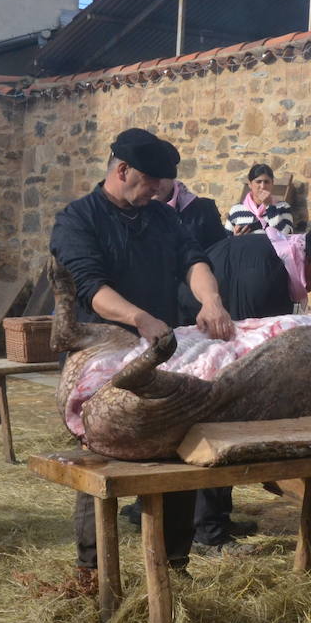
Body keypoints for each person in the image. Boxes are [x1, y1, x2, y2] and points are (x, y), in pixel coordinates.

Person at [50, 128, 235, 579]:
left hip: (161, 353)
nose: (157, 191)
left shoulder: (164, 218)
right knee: (102, 459)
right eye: (151, 182)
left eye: (161, 185)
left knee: (175, 452)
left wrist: (210, 300)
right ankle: (92, 570)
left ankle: (174, 564)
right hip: (100, 360)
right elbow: (91, 289)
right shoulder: (78, 219)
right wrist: (140, 320)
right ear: (122, 170)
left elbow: (195, 260)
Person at [184, 225, 311, 554]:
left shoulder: (272, 251)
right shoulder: (269, 279)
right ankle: (208, 532)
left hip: (203, 338)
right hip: (210, 352)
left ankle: (214, 517)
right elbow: (252, 353)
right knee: (222, 425)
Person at [154, 178, 228, 251]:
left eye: (160, 175)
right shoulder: (143, 213)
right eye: (146, 176)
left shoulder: (203, 210)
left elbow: (220, 254)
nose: (154, 183)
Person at [226, 163, 294, 235]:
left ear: (272, 184)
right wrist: (236, 238)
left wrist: (269, 207)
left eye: (266, 182)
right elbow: (226, 241)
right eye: (258, 182)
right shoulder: (236, 209)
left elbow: (287, 235)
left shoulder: (283, 207)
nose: (263, 186)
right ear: (250, 184)